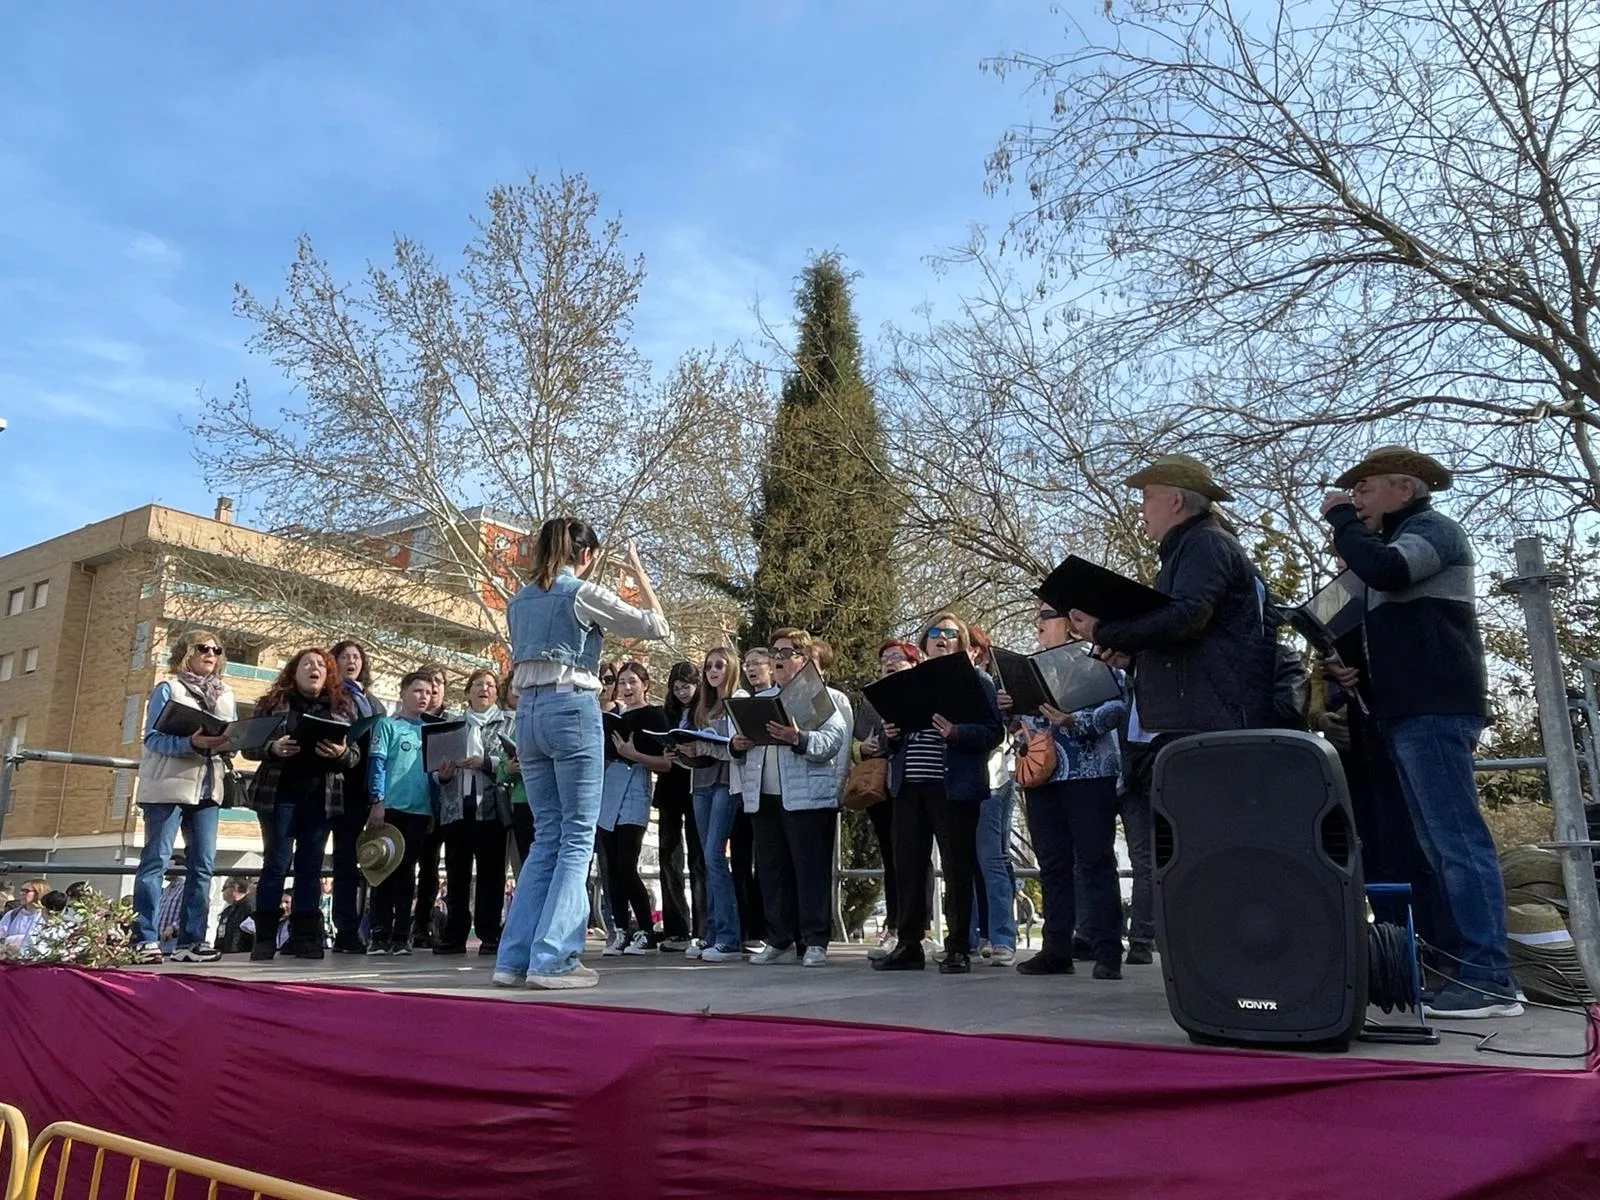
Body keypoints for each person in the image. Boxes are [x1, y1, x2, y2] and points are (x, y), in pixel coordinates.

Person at [1321, 446, 1517, 1018]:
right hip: (1407, 711)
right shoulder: (1393, 543)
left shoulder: (1434, 530)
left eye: (1365, 490)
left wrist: (1340, 522)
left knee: (1458, 843)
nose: (1355, 501)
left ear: (1404, 490)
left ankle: (1491, 977)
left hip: (1434, 706)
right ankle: (1463, 970)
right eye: (1351, 495)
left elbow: (1387, 571)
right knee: (1436, 844)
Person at [1067, 454, 1275, 964]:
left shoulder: (1203, 544)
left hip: (1207, 722)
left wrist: (1105, 631)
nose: (1141, 510)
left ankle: (1227, 956)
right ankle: (1215, 955)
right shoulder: (1193, 548)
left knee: (1206, 843)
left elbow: (1187, 616)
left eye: (1146, 497)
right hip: (1197, 718)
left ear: (1175, 500)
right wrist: (1134, 650)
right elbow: (1186, 632)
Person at [494, 519, 671, 990]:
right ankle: (553, 958)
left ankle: (513, 958)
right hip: (571, 708)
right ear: (586, 554)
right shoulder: (581, 592)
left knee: (547, 838)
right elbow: (656, 626)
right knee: (576, 836)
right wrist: (637, 574)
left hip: (527, 713)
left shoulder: (517, 599)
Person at [871, 615, 1005, 974]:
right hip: (909, 785)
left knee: (958, 865)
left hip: (954, 786)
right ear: (924, 642)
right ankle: (909, 944)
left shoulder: (978, 680)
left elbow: (995, 732)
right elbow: (889, 741)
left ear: (961, 642)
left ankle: (959, 946)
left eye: (950, 633)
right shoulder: (906, 680)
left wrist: (957, 732)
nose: (942, 638)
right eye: (935, 633)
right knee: (909, 865)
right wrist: (890, 733)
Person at [1005, 601, 1127, 980]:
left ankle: (1107, 951)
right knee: (1053, 865)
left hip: (1090, 773)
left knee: (1094, 861)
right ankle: (1056, 950)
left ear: (1070, 623)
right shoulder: (1027, 666)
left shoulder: (1098, 657)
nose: (1037, 623)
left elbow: (1119, 705)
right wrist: (1008, 711)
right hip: (1043, 776)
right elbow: (1024, 722)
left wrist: (1077, 720)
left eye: (1044, 616)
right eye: (1036, 616)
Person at [731, 628, 851, 968]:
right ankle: (779, 938)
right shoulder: (759, 699)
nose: (779, 660)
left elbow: (833, 743)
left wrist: (798, 738)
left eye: (787, 653)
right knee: (771, 871)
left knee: (810, 870)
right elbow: (741, 747)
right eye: (776, 653)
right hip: (764, 797)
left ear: (804, 657)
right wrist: (736, 747)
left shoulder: (824, 697)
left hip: (808, 798)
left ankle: (814, 940)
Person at [242, 648, 361, 961]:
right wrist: (272, 747)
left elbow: (354, 757)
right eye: (307, 663)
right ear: (293, 671)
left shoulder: (342, 708)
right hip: (279, 795)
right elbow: (249, 748)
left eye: (322, 665)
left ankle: (305, 937)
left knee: (310, 867)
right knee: (276, 863)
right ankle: (265, 937)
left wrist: (339, 754)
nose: (315, 668)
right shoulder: (272, 704)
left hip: (321, 798)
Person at [132, 629, 237, 965]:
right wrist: (190, 744)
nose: (211, 653)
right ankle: (144, 938)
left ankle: (191, 940)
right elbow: (152, 739)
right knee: (155, 862)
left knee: (203, 865)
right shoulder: (169, 688)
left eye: (216, 649)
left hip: (208, 788)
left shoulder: (226, 694)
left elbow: (230, 736)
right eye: (203, 647)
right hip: (167, 787)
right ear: (186, 651)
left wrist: (232, 741)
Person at [433, 669, 515, 956]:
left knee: (492, 875)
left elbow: (513, 760)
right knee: (456, 875)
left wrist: (486, 762)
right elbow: (433, 767)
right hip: (456, 809)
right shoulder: (452, 724)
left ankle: (490, 933)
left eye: (491, 685)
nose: (485, 689)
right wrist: (442, 776)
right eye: (478, 684)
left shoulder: (508, 722)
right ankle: (454, 934)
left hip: (492, 809)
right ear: (467, 691)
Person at [598, 662, 672, 955]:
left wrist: (633, 753)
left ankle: (645, 928)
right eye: (622, 682)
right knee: (610, 869)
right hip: (607, 789)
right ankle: (619, 928)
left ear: (645, 684)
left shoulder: (655, 715)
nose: (627, 688)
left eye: (633, 682)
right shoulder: (610, 715)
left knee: (626, 864)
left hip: (634, 787)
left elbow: (666, 763)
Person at [366, 671, 440, 955]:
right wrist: (377, 800)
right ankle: (379, 932)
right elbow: (378, 764)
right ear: (403, 693)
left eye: (428, 693)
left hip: (419, 811)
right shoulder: (387, 726)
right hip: (391, 808)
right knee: (383, 870)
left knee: (408, 872)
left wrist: (435, 804)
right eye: (417, 691)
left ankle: (401, 935)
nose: (423, 697)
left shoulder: (430, 731)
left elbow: (433, 773)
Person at [679, 646, 745, 963]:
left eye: (719, 665)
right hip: (701, 784)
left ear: (731, 667)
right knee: (706, 860)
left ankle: (729, 937)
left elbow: (736, 749)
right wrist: (681, 750)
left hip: (726, 784)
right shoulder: (701, 707)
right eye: (708, 667)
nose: (712, 671)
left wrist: (704, 745)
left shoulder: (739, 701)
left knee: (714, 856)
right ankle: (712, 934)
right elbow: (692, 747)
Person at [861, 640, 924, 961]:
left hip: (921, 782)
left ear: (914, 663)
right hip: (882, 787)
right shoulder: (872, 698)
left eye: (898, 658)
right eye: (884, 658)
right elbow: (863, 738)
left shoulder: (924, 691)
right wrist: (865, 747)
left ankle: (918, 928)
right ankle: (895, 925)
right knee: (893, 857)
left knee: (917, 859)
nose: (889, 663)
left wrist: (887, 740)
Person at [329, 639, 387, 954]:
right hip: (341, 786)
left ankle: (373, 927)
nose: (352, 661)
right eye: (345, 656)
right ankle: (345, 927)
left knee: (372, 861)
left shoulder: (374, 703)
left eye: (357, 657)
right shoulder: (333, 696)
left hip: (369, 787)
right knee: (344, 861)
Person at [965, 626, 1018, 966]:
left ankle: (1001, 937)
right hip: (959, 781)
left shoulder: (990, 685)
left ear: (977, 653)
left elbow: (1002, 732)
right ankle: (973, 936)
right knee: (965, 861)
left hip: (992, 779)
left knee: (991, 857)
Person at [655, 661, 705, 952]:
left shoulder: (704, 712)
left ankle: (703, 927)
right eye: (677, 687)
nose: (682, 692)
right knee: (669, 856)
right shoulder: (667, 714)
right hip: (671, 786)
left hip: (697, 784)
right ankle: (676, 927)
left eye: (687, 686)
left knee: (700, 858)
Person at [733, 646, 773, 950]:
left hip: (778, 788)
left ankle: (773, 929)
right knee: (746, 860)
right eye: (747, 664)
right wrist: (736, 745)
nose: (751, 669)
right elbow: (737, 751)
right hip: (751, 788)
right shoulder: (742, 702)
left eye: (757, 663)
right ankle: (752, 928)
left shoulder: (779, 697)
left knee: (770, 864)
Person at [411, 664, 452, 948]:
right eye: (427, 683)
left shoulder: (454, 721)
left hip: (445, 805)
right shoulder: (407, 720)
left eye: (438, 682)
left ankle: (425, 924)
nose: (434, 688)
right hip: (411, 803)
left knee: (432, 867)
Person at [494, 675, 533, 867]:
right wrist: (509, 769)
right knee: (525, 861)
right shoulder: (515, 730)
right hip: (520, 800)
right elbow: (501, 773)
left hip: (547, 801)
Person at [0, 879, 49, 954]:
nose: (21, 893)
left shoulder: (46, 916)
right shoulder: (12, 914)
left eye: (26, 891)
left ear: (39, 892)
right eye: (21, 890)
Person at [217, 878, 256, 954]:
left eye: (224, 888)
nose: (222, 892)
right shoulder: (229, 910)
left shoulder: (250, 905)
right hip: (227, 954)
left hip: (242, 954)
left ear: (234, 888)